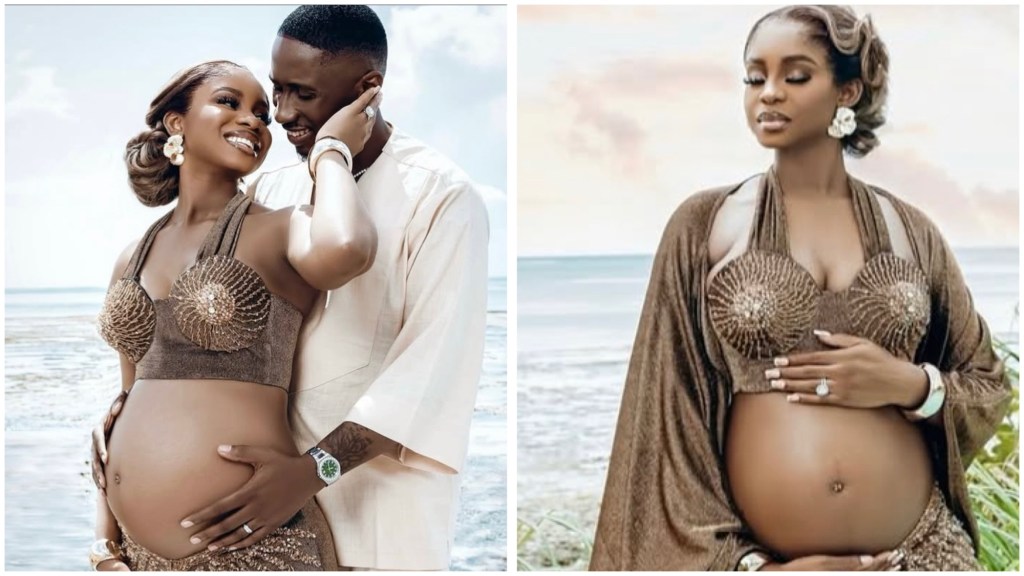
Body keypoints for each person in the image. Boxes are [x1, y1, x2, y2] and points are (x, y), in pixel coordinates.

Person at [590, 5, 1010, 572]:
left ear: (847, 92)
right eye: (754, 76)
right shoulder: (707, 225)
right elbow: (667, 421)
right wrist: (754, 568)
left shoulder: (910, 231)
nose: (768, 94)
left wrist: (909, 385)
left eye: (795, 75)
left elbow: (987, 383)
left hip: (923, 552)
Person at [92, 4, 490, 571]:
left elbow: (428, 376)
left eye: (300, 94)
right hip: (244, 498)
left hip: (367, 509)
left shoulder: (440, 196)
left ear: (367, 90)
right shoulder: (270, 189)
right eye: (275, 92)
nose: (279, 116)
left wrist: (312, 471)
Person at [89, 59, 380, 570]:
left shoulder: (280, 230)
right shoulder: (131, 256)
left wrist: (331, 152)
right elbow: (125, 405)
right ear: (176, 123)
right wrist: (104, 546)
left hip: (256, 550)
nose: (253, 120)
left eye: (261, 114)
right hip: (138, 559)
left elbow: (349, 247)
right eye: (230, 102)